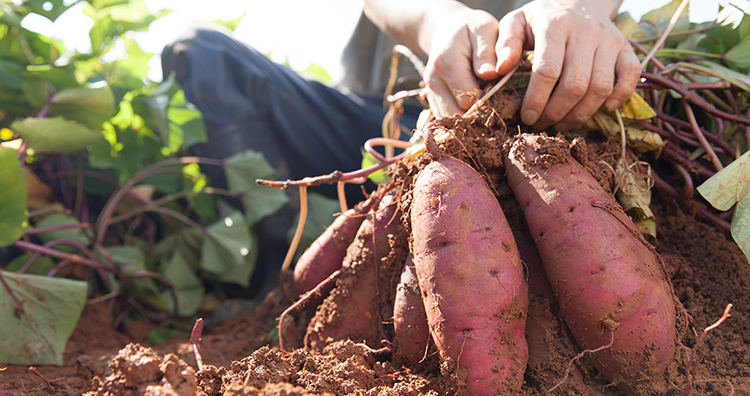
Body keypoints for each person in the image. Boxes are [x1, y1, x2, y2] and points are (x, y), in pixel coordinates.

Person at [161, 0, 639, 297]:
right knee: (200, 51)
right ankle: (280, 278)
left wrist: (583, 8)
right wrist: (441, 22)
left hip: (533, 127)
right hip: (388, 122)